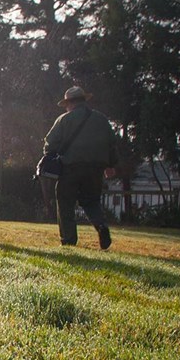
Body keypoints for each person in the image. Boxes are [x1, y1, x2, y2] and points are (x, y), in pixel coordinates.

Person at [44, 86, 118, 249]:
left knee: (65, 202)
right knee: (91, 201)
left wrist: (51, 157)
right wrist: (110, 165)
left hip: (70, 167)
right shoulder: (101, 119)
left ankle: (69, 240)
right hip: (95, 168)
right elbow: (112, 144)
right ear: (84, 100)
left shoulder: (64, 119)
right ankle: (101, 226)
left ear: (69, 103)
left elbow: (50, 144)